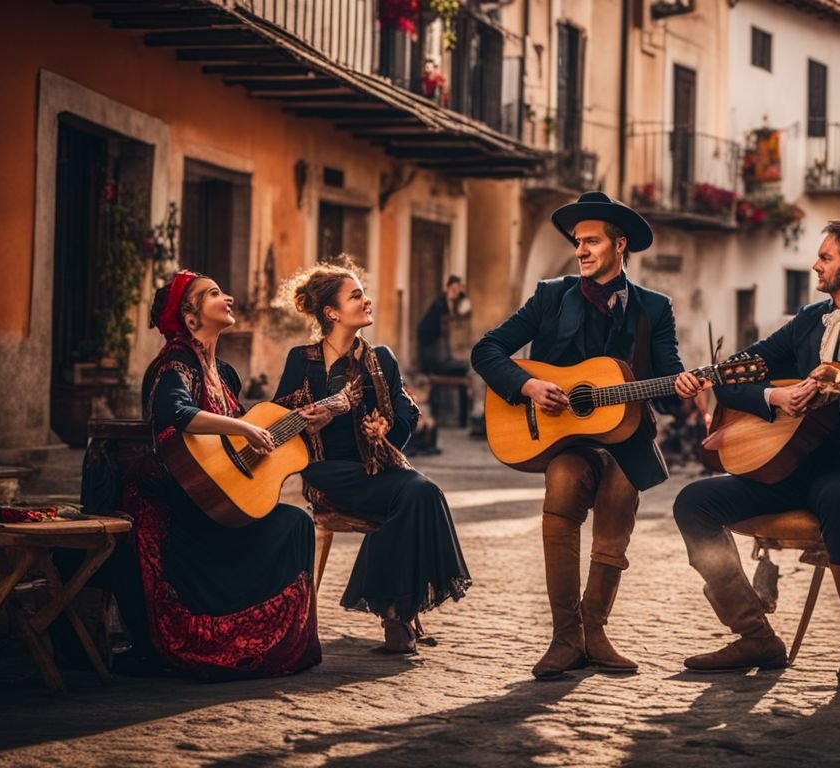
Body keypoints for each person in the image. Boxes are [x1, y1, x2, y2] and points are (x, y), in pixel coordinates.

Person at [471, 191, 707, 679]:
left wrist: (684, 388)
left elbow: (666, 385)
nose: (580, 250)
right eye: (578, 241)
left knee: (622, 492)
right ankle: (565, 637)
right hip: (564, 437)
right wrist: (529, 384)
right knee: (563, 483)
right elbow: (486, 349)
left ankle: (593, 632)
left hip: (626, 438)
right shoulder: (550, 296)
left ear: (620, 245)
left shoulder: (653, 309)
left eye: (592, 241)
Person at [671, 220, 840, 687]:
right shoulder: (807, 322)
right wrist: (775, 398)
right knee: (693, 504)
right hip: (788, 467)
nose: (816, 265)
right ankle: (754, 633)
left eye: (826, 258)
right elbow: (732, 376)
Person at [122, 270, 321, 678]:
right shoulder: (175, 361)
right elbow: (172, 412)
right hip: (185, 507)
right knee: (292, 525)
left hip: (219, 503)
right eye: (213, 294)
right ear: (190, 317)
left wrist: (300, 422)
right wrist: (245, 426)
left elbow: (238, 448)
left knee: (296, 523)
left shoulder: (224, 373)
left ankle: (272, 644)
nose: (228, 298)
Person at [275, 259, 471, 654]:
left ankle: (396, 611)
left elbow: (403, 421)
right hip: (326, 472)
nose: (367, 301)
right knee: (415, 494)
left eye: (363, 293)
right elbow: (278, 421)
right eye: (356, 295)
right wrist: (306, 418)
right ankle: (398, 611)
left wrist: (384, 430)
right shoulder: (303, 360)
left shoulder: (381, 359)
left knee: (422, 492)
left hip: (374, 468)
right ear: (331, 312)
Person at [416, 275, 471, 426]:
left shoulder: (448, 304)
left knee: (466, 367)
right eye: (453, 289)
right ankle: (463, 419)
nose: (456, 292)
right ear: (447, 288)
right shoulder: (440, 306)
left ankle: (463, 418)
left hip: (439, 357)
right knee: (467, 369)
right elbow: (427, 333)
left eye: (458, 290)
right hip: (435, 361)